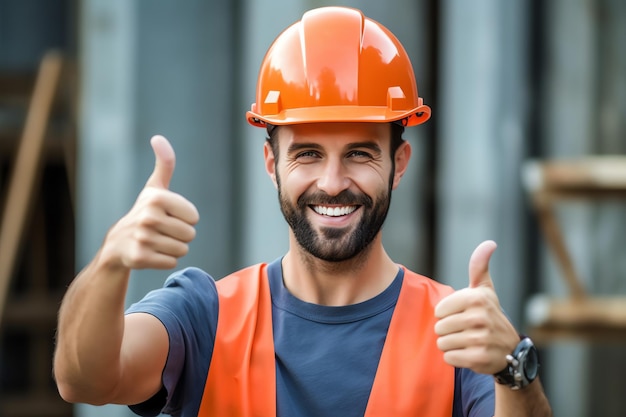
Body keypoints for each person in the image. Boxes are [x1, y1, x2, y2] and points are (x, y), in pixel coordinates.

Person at [53, 6, 552, 417]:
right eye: (307, 154)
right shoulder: (204, 316)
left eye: (359, 153)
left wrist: (512, 370)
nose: (332, 183)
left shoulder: (455, 333)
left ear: (399, 163)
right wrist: (110, 261)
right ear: (271, 162)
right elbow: (83, 379)